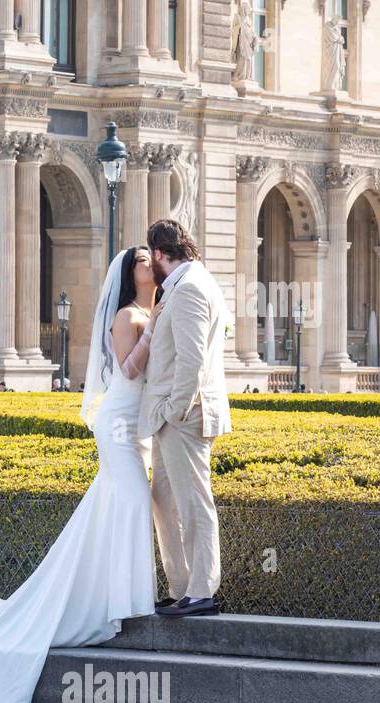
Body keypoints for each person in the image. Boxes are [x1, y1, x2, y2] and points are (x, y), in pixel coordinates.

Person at [0, 245, 161, 703]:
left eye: (152, 258)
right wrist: (153, 334)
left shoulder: (152, 309)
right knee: (130, 500)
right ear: (132, 274)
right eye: (143, 260)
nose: (151, 264)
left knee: (115, 506)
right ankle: (130, 602)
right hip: (118, 425)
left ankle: (115, 597)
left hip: (139, 425)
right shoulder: (128, 316)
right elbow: (128, 370)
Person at [138, 219, 232, 618]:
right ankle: (182, 586)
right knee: (163, 498)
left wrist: (174, 410)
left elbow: (192, 360)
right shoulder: (188, 284)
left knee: (194, 503)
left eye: (151, 257)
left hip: (183, 416)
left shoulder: (190, 288)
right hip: (173, 416)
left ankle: (201, 590)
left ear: (159, 254)